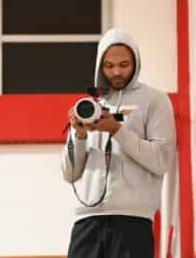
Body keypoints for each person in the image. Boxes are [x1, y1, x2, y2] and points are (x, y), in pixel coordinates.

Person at [61, 28, 177, 258]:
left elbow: (161, 161)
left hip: (133, 222)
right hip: (87, 221)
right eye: (109, 65)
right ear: (100, 65)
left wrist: (116, 130)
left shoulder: (154, 100)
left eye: (124, 65)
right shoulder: (91, 105)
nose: (116, 72)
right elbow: (70, 174)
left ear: (136, 62)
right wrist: (80, 135)